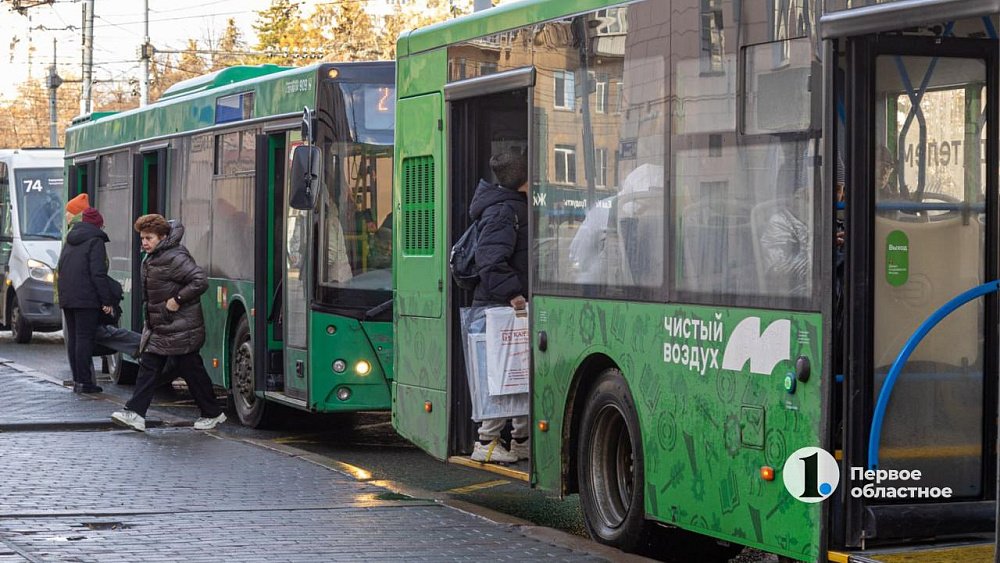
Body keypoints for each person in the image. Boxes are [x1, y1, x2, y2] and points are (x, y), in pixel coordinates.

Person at [111, 214, 226, 432]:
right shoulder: (156, 256)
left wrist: (176, 300)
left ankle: (137, 413)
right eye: (142, 238)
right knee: (172, 367)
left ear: (163, 237)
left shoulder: (174, 257)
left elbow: (200, 280)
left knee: (174, 368)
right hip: (165, 326)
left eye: (149, 238)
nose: (144, 242)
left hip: (179, 326)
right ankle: (210, 412)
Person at [467, 148, 530, 464]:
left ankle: (520, 440)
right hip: (499, 308)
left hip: (505, 306)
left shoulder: (509, 207)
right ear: (523, 179)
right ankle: (487, 442)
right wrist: (515, 294)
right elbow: (491, 261)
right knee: (503, 374)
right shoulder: (504, 211)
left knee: (519, 374)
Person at [57, 206, 115, 394]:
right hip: (86, 299)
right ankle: (85, 382)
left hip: (68, 297)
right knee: (84, 339)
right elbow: (98, 273)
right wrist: (106, 300)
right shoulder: (95, 241)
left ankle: (78, 381)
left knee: (74, 339)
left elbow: (61, 268)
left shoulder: (70, 239)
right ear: (97, 225)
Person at [760, 163, 812, 296]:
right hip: (800, 296)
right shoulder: (778, 224)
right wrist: (822, 251)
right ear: (791, 197)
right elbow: (778, 271)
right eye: (804, 196)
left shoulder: (810, 219)